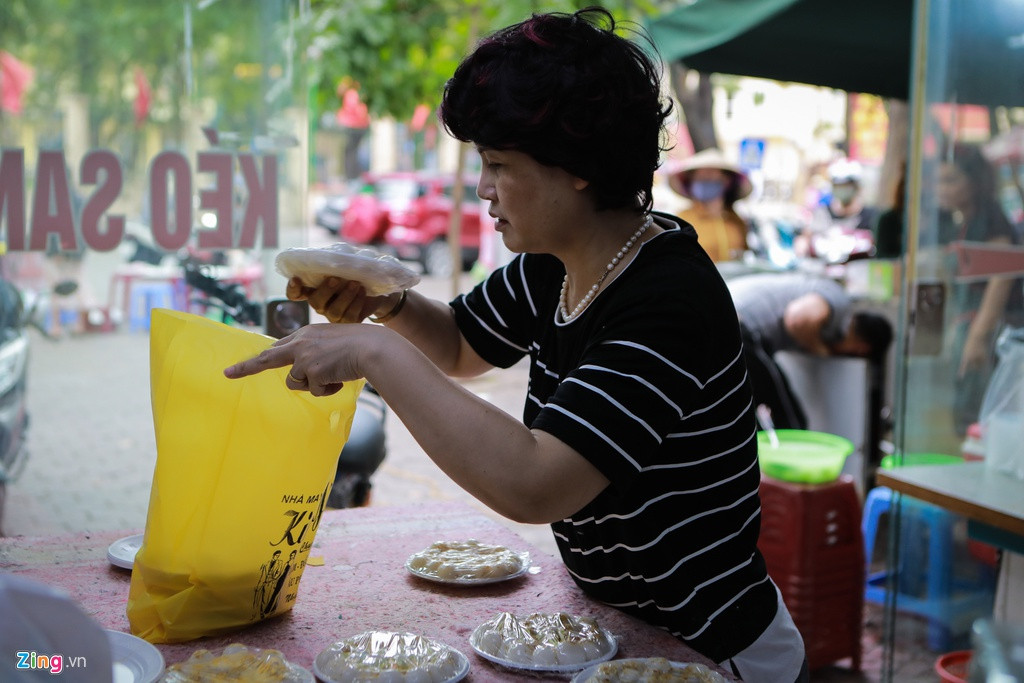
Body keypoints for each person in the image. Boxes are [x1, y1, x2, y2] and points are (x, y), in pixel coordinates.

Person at [225, 9, 807, 681]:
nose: (483, 189)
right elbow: (460, 343)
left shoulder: (666, 296)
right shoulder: (556, 260)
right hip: (620, 627)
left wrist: (371, 351)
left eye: (498, 164)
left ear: (578, 166)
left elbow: (536, 483)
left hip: (713, 647)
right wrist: (386, 302)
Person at [728, 272, 894, 430]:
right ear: (862, 348)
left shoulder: (832, 318)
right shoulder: (838, 301)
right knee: (789, 421)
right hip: (740, 325)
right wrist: (821, 352)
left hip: (731, 320)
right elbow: (797, 320)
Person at [937, 143, 1024, 436]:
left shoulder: (992, 220)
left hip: (988, 330)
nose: (943, 189)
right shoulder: (960, 222)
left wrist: (978, 335)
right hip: (965, 325)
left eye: (952, 180)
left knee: (975, 413)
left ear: (974, 182)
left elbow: (1002, 278)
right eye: (939, 180)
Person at [665, 148, 753, 262]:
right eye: (697, 177)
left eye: (709, 175)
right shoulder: (682, 221)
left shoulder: (737, 221)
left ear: (726, 180)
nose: (702, 180)